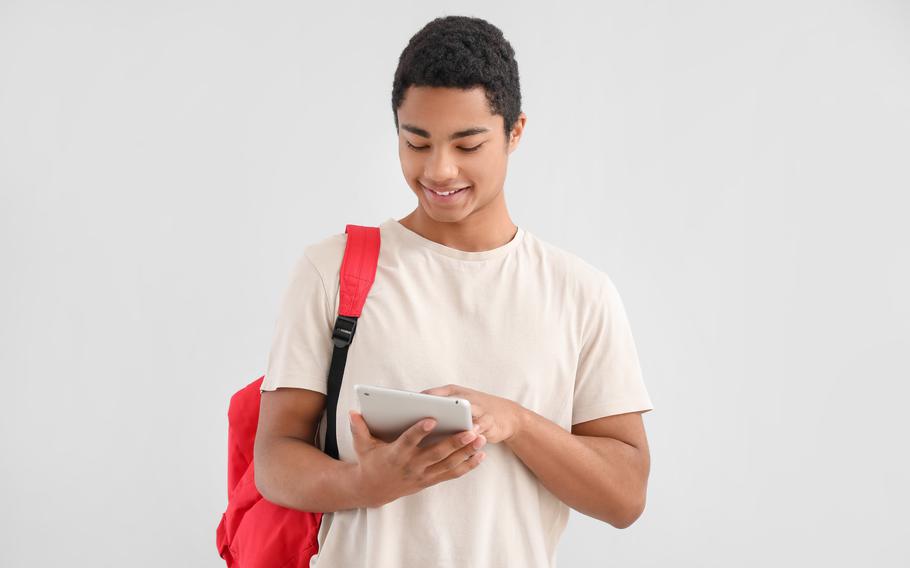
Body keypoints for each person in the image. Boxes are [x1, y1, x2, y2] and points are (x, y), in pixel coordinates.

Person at [253, 15, 654, 568]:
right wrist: (365, 483)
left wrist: (515, 422)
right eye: (416, 142)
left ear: (515, 132)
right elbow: (273, 460)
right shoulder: (333, 271)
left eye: (468, 144)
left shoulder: (580, 293)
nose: (439, 170)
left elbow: (625, 496)